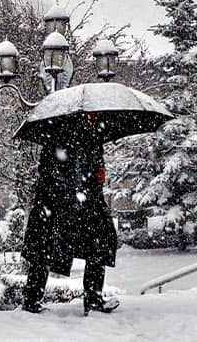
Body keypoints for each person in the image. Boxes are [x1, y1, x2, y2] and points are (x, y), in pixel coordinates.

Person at [21, 113, 119, 315]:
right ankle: (32, 301)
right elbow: (54, 170)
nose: (94, 120)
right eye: (90, 117)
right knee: (44, 249)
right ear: (81, 116)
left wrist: (96, 176)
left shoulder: (92, 137)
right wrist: (83, 182)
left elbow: (86, 169)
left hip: (80, 205)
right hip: (58, 204)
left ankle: (92, 298)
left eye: (94, 118)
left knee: (99, 243)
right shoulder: (63, 134)